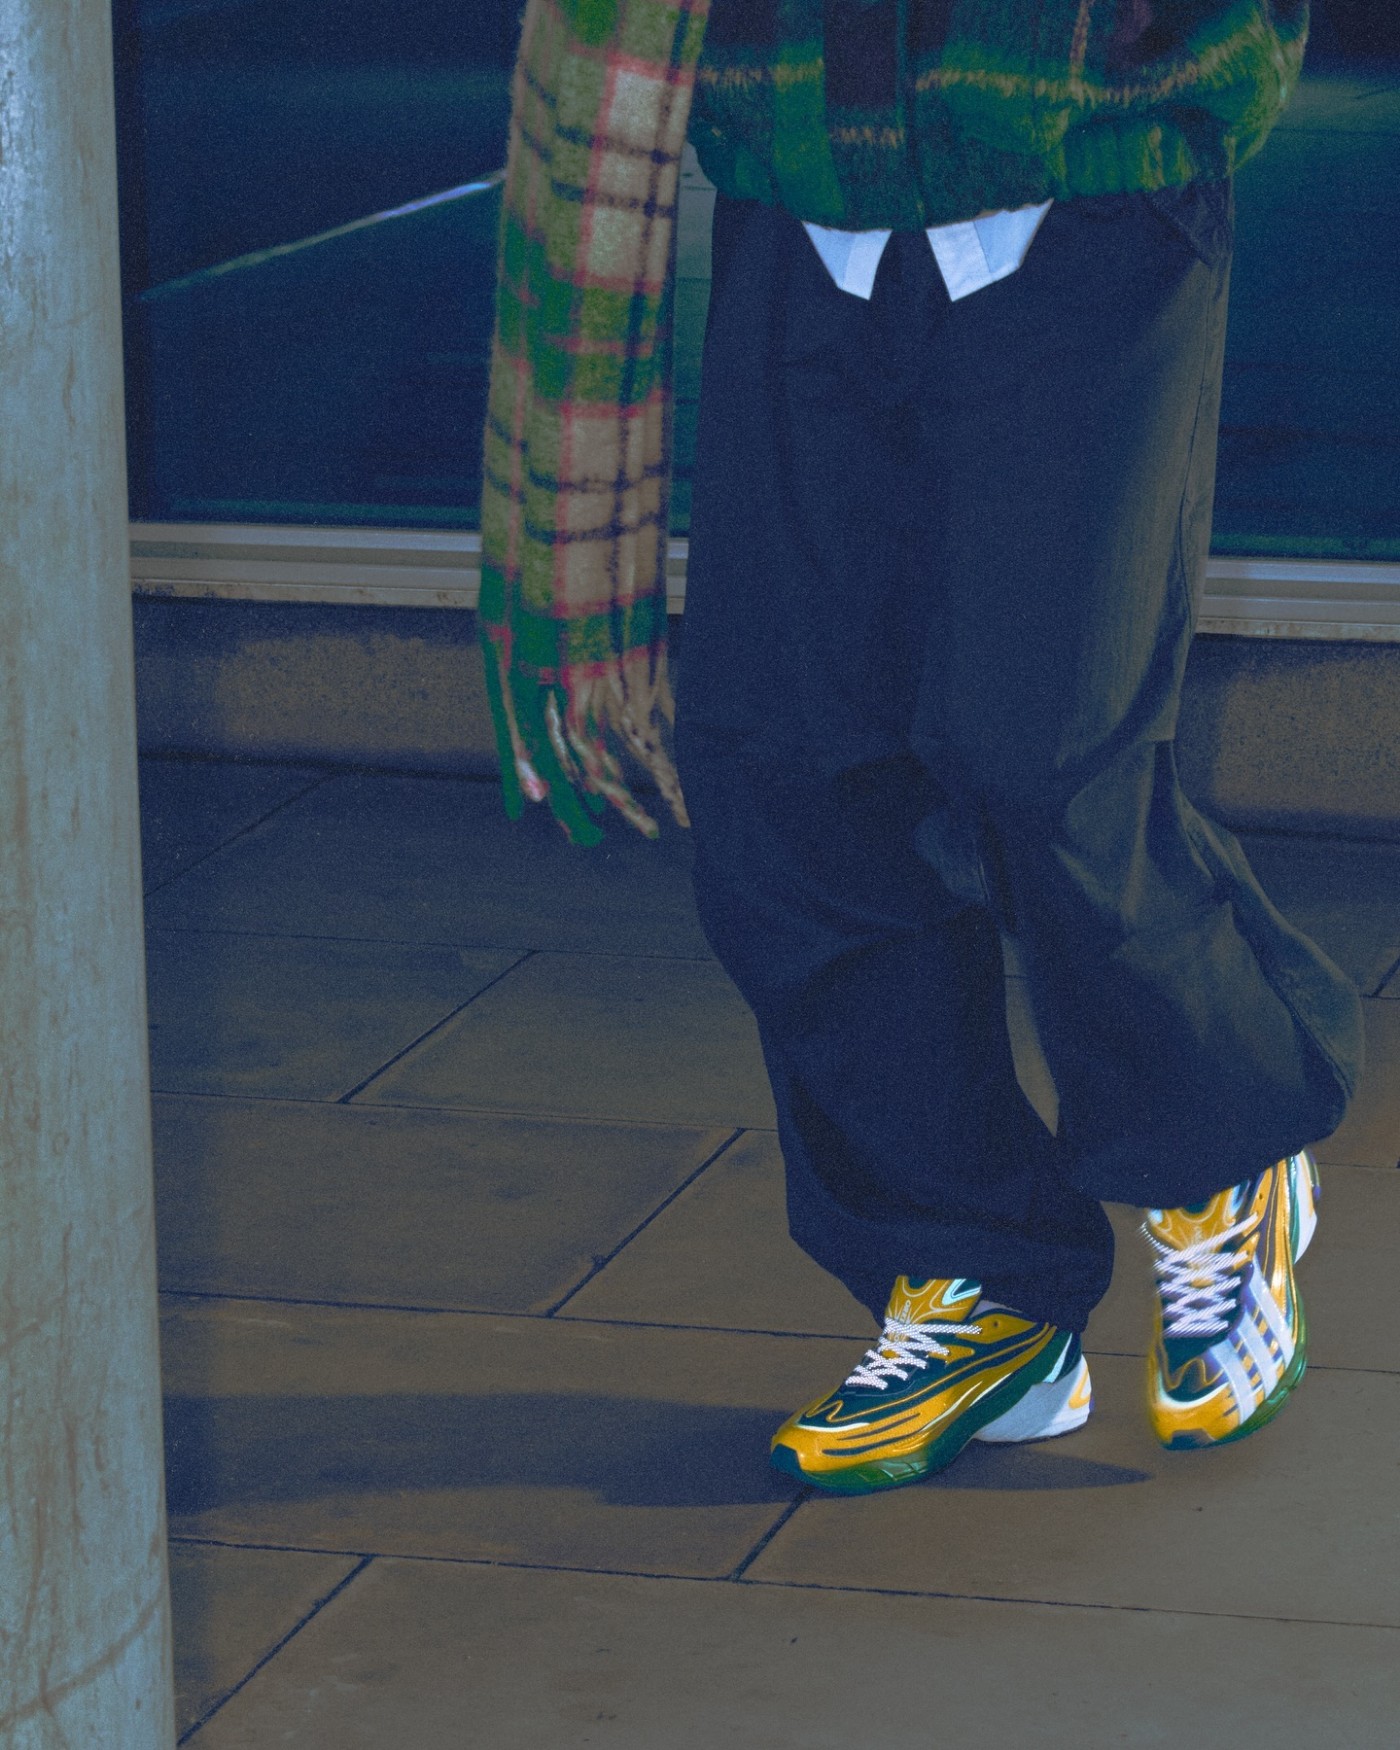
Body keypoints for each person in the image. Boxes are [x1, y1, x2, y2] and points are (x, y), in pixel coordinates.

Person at [479, 0, 1364, 1494]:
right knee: (786, 783)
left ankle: (1226, 1150)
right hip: (801, 204)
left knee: (1047, 755)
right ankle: (970, 1270)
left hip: (1084, 183)